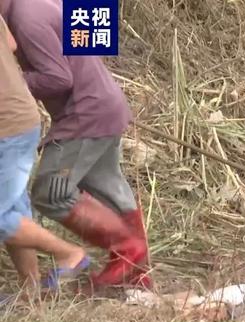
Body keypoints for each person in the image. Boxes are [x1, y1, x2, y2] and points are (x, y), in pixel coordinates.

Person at [0, 0, 153, 293]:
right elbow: (95, 35)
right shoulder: (43, 4)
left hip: (85, 114)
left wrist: (14, 83)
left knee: (50, 193)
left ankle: (126, 248)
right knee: (112, 191)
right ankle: (137, 275)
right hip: (106, 101)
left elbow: (58, 77)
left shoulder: (25, 18)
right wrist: (94, 78)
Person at [1, 13, 90, 294]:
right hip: (20, 116)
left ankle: (69, 254)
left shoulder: (31, 13)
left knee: (3, 216)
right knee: (13, 209)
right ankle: (30, 292)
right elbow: (11, 44)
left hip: (8, 123)